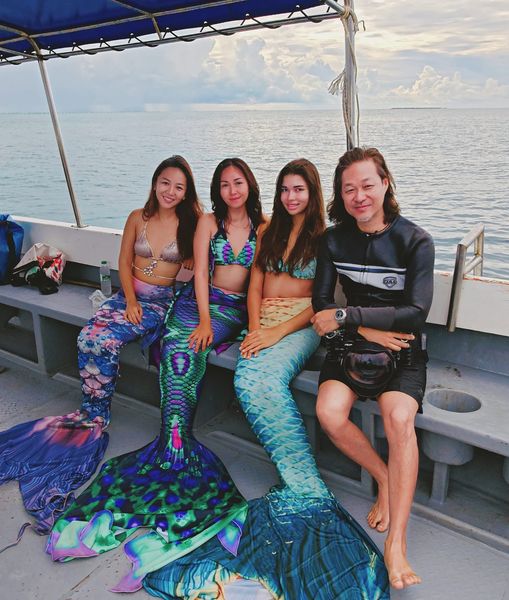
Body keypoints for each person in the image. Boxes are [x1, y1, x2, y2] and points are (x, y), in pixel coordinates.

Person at [143, 159, 389, 599]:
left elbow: (319, 304)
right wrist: (255, 327)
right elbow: (254, 284)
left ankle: (305, 485)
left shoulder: (325, 238)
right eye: (286, 190)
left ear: (313, 194)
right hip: (261, 323)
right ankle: (299, 476)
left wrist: (275, 331)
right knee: (245, 380)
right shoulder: (268, 230)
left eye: (300, 190)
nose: (293, 197)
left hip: (298, 326)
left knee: (262, 384)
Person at [46, 158, 265, 593]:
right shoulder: (207, 222)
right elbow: (198, 273)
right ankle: (172, 440)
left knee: (180, 348)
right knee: (176, 350)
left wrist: (254, 327)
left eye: (238, 182)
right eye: (224, 183)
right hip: (194, 305)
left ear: (250, 185)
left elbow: (257, 280)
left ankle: (177, 444)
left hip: (232, 309)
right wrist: (200, 318)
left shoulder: (265, 224)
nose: (231, 189)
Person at [0, 155, 200, 534]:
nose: (171, 192)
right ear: (155, 182)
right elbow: (125, 262)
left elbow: (192, 272)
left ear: (186, 191)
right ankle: (92, 411)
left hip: (160, 305)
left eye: (179, 186)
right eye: (165, 182)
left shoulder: (191, 224)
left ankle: (97, 417)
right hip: (128, 299)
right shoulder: (136, 216)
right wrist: (131, 300)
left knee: (103, 340)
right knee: (89, 337)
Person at [311, 146, 435, 590]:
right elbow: (322, 306)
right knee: (329, 414)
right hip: (354, 344)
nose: (359, 196)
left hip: (402, 347)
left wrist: (354, 318)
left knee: (399, 418)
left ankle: (396, 542)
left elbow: (416, 312)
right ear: (340, 196)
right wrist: (360, 330)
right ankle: (384, 476)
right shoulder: (332, 239)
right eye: (349, 189)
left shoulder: (415, 241)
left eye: (367, 185)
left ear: (385, 183)